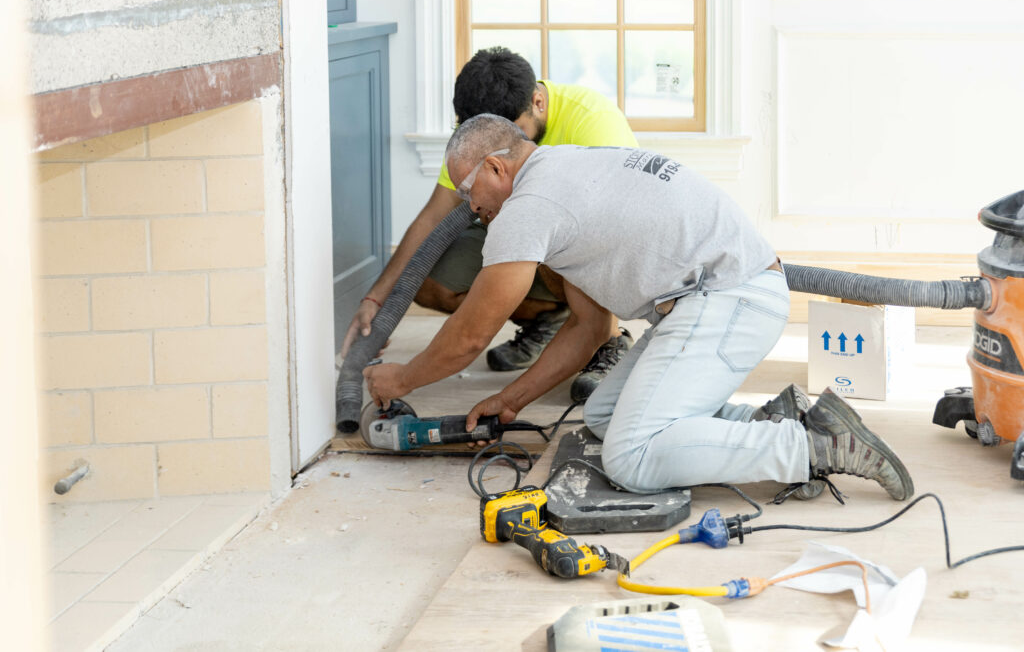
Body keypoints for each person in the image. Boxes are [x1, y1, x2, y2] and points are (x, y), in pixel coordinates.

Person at [363, 114, 914, 501]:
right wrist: (512, 399)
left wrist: (402, 380)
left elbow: (468, 336)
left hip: (729, 298)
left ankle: (811, 447)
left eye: (466, 190)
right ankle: (782, 418)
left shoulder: (529, 207)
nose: (468, 206)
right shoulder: (567, 171)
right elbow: (587, 328)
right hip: (719, 297)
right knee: (603, 416)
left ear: (494, 167)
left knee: (632, 457)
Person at [341, 47, 638, 404]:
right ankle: (550, 320)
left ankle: (606, 338)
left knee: (558, 243)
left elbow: (607, 233)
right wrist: (377, 298)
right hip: (517, 228)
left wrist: (408, 378)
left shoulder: (593, 122)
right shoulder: (475, 138)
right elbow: (434, 217)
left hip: (581, 236)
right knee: (431, 279)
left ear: (538, 102)